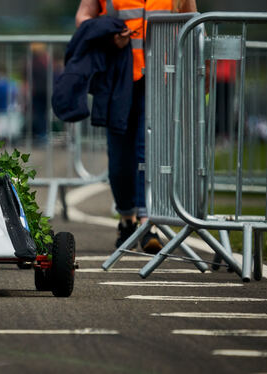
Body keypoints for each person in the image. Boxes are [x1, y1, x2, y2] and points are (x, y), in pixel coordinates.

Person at [74, 0, 197, 253]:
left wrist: (198, 68)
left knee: (148, 148)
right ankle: (127, 218)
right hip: (117, 75)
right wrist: (108, 35)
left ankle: (147, 221)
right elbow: (83, 17)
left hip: (161, 73)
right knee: (119, 155)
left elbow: (193, 20)